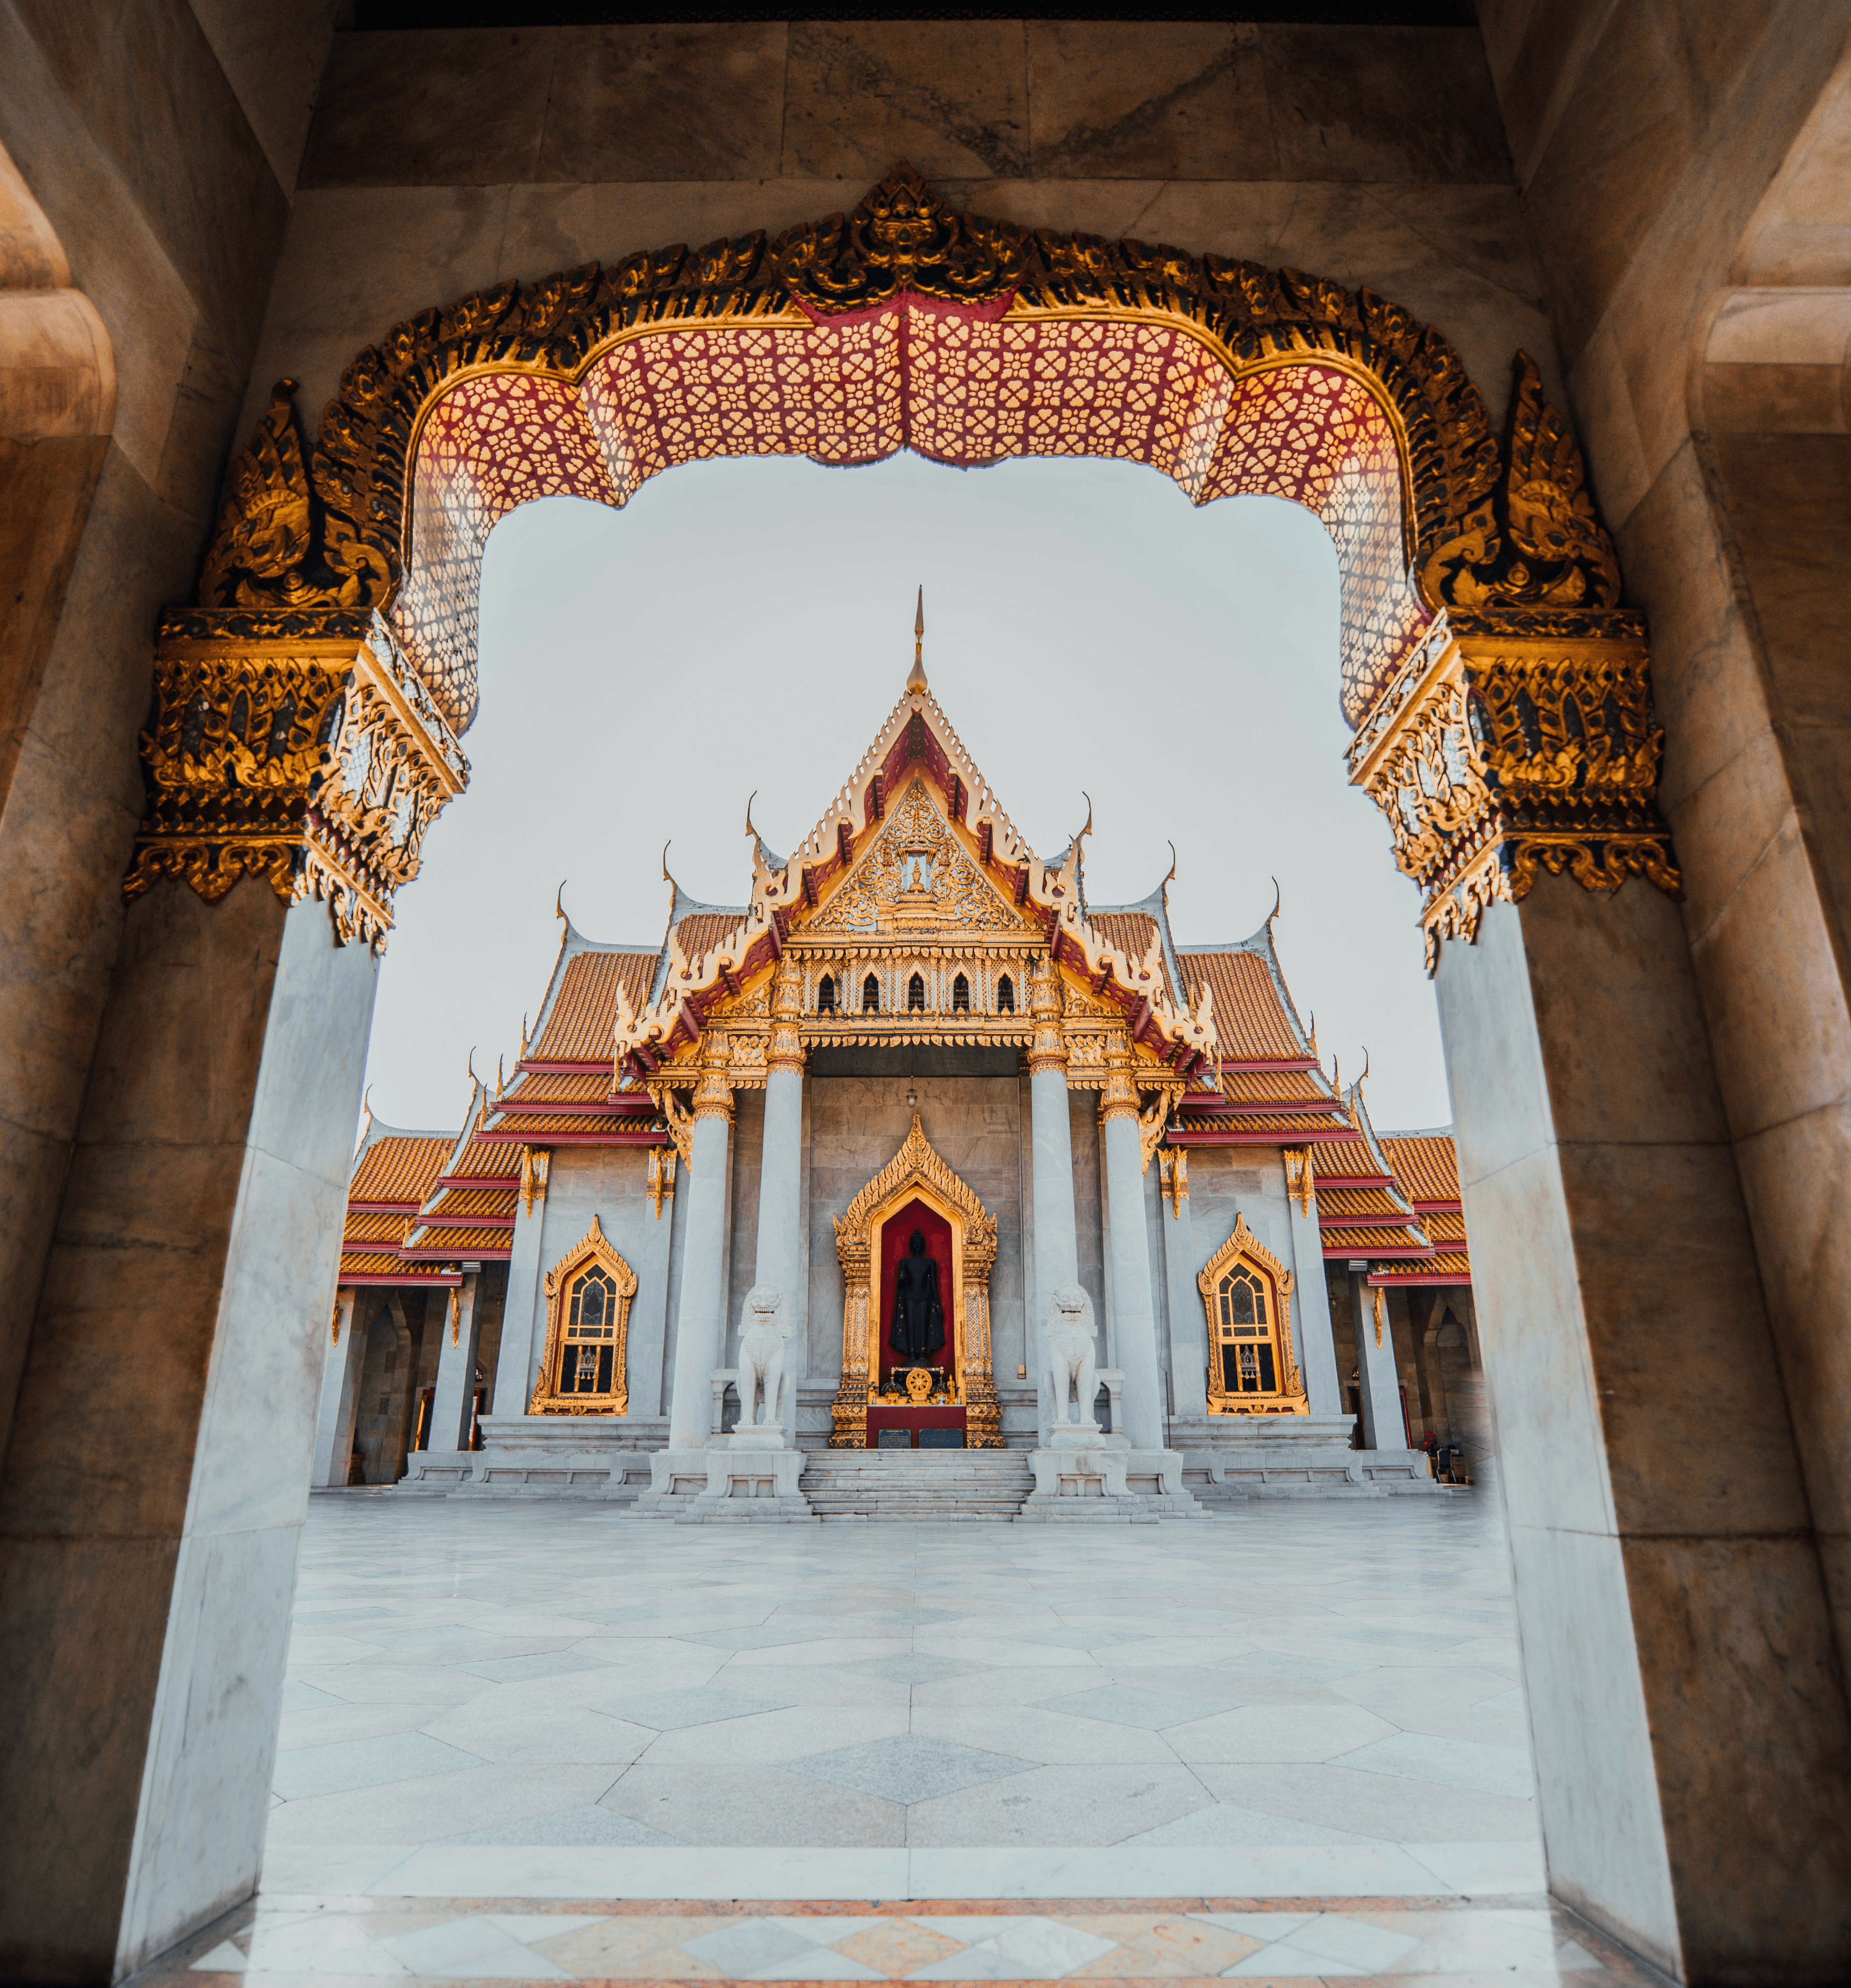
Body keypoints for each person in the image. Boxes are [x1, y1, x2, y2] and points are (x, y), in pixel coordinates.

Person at [891, 1228, 944, 1365]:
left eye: (919, 1243)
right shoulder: (905, 1262)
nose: (917, 1246)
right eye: (915, 1243)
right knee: (910, 1324)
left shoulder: (930, 1262)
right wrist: (902, 1278)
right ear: (911, 1246)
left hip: (926, 1297)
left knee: (923, 1324)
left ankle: (922, 1355)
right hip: (909, 1296)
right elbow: (901, 1282)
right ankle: (912, 1354)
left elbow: (933, 1284)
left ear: (923, 1246)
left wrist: (938, 1305)